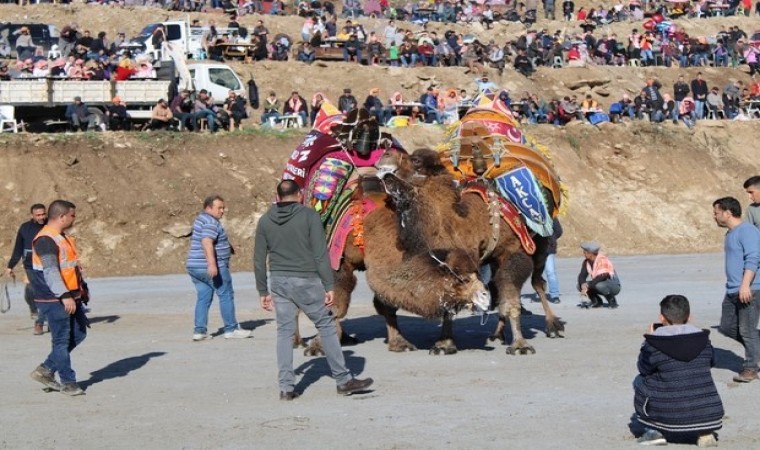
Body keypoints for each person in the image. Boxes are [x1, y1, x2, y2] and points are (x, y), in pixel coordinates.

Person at [254, 180, 374, 400]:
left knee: (284, 332)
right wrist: (329, 286)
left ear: (278, 197)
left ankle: (286, 388)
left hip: (279, 281)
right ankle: (343, 380)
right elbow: (320, 255)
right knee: (327, 326)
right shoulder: (309, 217)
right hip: (306, 280)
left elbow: (259, 259)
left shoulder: (265, 221)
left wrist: (262, 290)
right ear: (300, 195)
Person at [633, 295, 723, 447]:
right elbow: (712, 362)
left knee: (639, 380)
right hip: (708, 414)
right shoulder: (704, 340)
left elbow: (644, 368)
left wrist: (649, 339)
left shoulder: (654, 343)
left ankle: (654, 430)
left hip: (669, 412)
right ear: (689, 317)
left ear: (662, 318)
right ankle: (704, 431)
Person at [28, 200, 88, 396]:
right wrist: (63, 296)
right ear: (62, 217)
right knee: (61, 341)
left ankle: (45, 369)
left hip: (71, 295)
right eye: (72, 215)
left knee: (79, 334)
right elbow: (51, 271)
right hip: (54, 298)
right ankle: (69, 382)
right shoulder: (46, 239)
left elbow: (68, 267)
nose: (74, 218)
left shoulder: (60, 237)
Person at [186, 195, 251, 341]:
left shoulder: (201, 219)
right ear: (208, 208)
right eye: (219, 208)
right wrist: (212, 264)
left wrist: (229, 247)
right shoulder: (211, 222)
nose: (223, 211)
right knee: (226, 294)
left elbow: (210, 240)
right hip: (209, 266)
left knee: (203, 297)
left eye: (223, 207)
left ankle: (199, 331)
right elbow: (207, 242)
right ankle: (231, 329)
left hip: (194, 266)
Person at [712, 196, 760, 383]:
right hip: (733, 289)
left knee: (747, 330)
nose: (714, 217)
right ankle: (756, 348)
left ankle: (750, 369)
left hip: (750, 289)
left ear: (727, 213)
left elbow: (754, 259)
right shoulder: (730, 233)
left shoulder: (748, 231)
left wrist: (745, 285)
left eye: (716, 213)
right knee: (726, 327)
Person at [6, 204, 48, 334]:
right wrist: (10, 266)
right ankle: (33, 308)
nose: (41, 217)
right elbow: (18, 248)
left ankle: (40, 323)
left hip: (49, 264)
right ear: (32, 215)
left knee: (45, 293)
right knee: (31, 290)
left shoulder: (51, 226)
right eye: (38, 215)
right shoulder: (25, 228)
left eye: (43, 214)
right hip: (30, 265)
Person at [577, 241, 620, 308]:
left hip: (613, 286)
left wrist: (588, 285)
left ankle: (612, 301)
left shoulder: (602, 260)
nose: (583, 254)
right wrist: (583, 284)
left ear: (590, 253)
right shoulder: (586, 262)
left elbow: (602, 276)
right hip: (598, 282)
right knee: (579, 285)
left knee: (598, 285)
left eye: (585, 252)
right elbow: (582, 275)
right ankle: (596, 301)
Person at [541, 218, 562, 303]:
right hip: (536, 249)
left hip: (548, 248)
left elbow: (559, 231)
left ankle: (554, 295)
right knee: (536, 272)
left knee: (550, 271)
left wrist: (551, 239)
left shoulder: (551, 217)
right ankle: (540, 290)